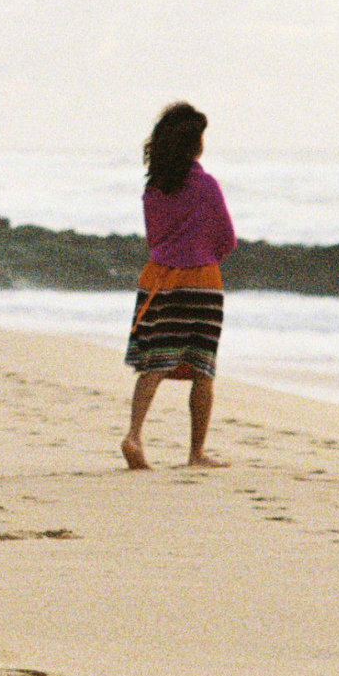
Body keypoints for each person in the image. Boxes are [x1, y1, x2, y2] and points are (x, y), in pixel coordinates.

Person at [121, 103, 234, 469]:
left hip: (159, 278)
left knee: (154, 362)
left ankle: (134, 435)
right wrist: (203, 254)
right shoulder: (205, 185)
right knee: (202, 369)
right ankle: (196, 452)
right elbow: (226, 237)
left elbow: (154, 237)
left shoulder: (154, 188)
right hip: (201, 280)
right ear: (193, 144)